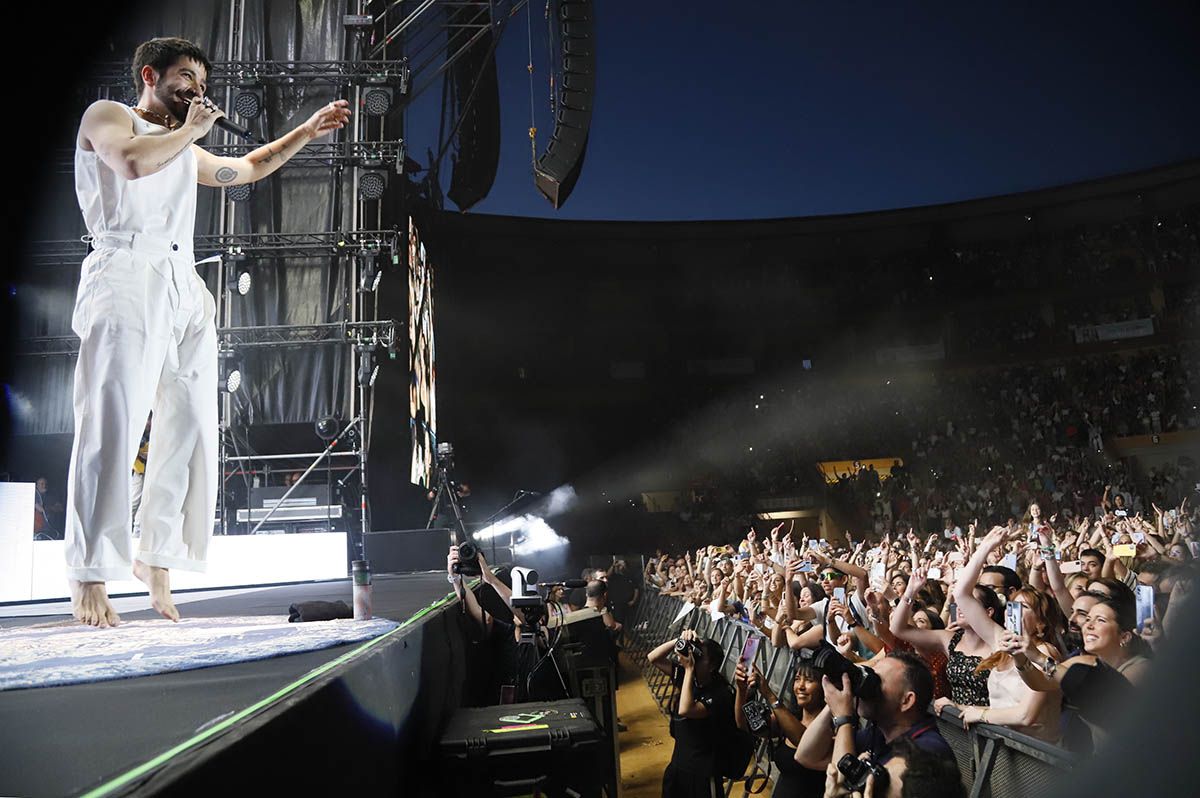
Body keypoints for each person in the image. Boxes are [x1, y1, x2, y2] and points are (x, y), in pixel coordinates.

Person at [66, 36, 350, 627]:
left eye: (201, 82)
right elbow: (131, 162)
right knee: (113, 419)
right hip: (123, 269)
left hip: (182, 281)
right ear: (151, 75)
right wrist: (190, 132)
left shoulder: (182, 147)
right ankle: (90, 572)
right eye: (185, 79)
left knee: (193, 423)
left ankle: (157, 557)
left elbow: (245, 168)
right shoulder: (109, 117)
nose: (197, 91)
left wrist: (305, 131)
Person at [794, 650, 952, 773]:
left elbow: (839, 785)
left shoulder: (928, 751)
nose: (867, 684)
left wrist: (844, 719)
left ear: (906, 701)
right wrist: (838, 697)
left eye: (877, 681)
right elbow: (806, 756)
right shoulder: (878, 734)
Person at [648, 629, 733, 798]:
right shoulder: (688, 678)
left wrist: (688, 670)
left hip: (703, 774)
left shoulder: (720, 694)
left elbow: (686, 709)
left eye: (701, 657)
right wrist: (678, 640)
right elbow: (653, 658)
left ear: (713, 666)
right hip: (678, 767)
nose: (695, 659)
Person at [734, 659, 826, 797]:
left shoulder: (830, 726)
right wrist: (741, 690)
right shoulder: (789, 718)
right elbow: (744, 724)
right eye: (797, 679)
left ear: (825, 687)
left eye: (809, 680)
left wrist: (769, 695)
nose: (800, 686)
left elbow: (803, 742)